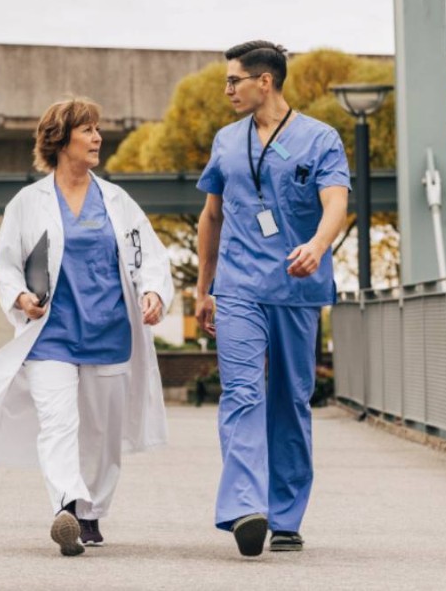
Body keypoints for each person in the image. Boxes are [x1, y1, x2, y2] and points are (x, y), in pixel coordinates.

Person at [0, 98, 172, 557]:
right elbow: (6, 262)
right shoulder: (28, 203)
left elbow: (148, 254)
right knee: (58, 423)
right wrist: (19, 297)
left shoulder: (117, 201)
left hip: (110, 331)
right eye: (88, 130)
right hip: (52, 335)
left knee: (102, 433)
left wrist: (153, 292)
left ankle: (92, 512)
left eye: (97, 129)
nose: (97, 138)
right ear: (60, 139)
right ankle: (67, 506)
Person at [195, 41, 350, 557]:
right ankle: (245, 508)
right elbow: (212, 216)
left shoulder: (320, 139)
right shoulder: (225, 140)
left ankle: (285, 516)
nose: (227, 90)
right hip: (237, 287)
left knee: (290, 399)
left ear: (265, 82)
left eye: (234, 80)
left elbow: (336, 204)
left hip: (295, 287)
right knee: (242, 392)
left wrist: (318, 244)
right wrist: (203, 287)